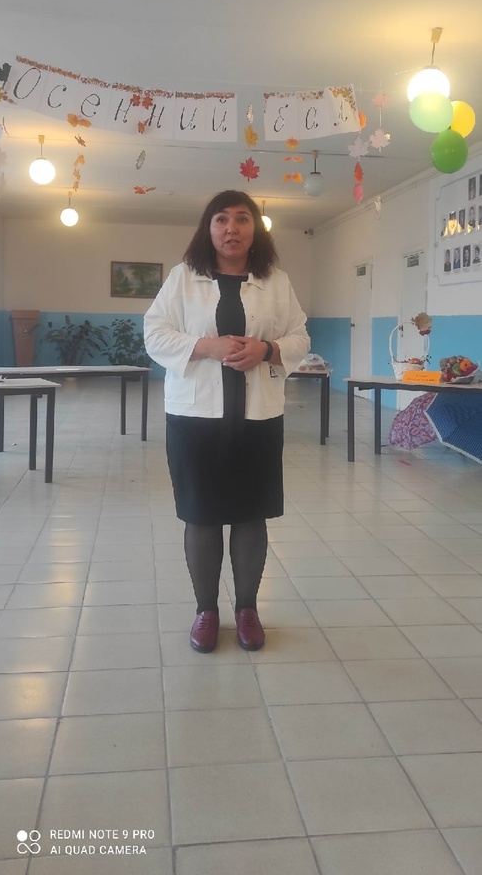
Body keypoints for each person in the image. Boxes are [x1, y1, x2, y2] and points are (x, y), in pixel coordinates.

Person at [144, 190, 310, 653]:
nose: (232, 228)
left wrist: (268, 349)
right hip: (195, 419)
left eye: (242, 219)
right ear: (209, 228)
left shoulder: (276, 281)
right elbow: (154, 333)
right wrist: (206, 347)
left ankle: (247, 610)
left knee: (251, 514)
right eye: (221, 219)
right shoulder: (183, 277)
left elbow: (299, 336)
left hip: (258, 417)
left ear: (255, 229)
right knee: (201, 514)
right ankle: (206, 611)